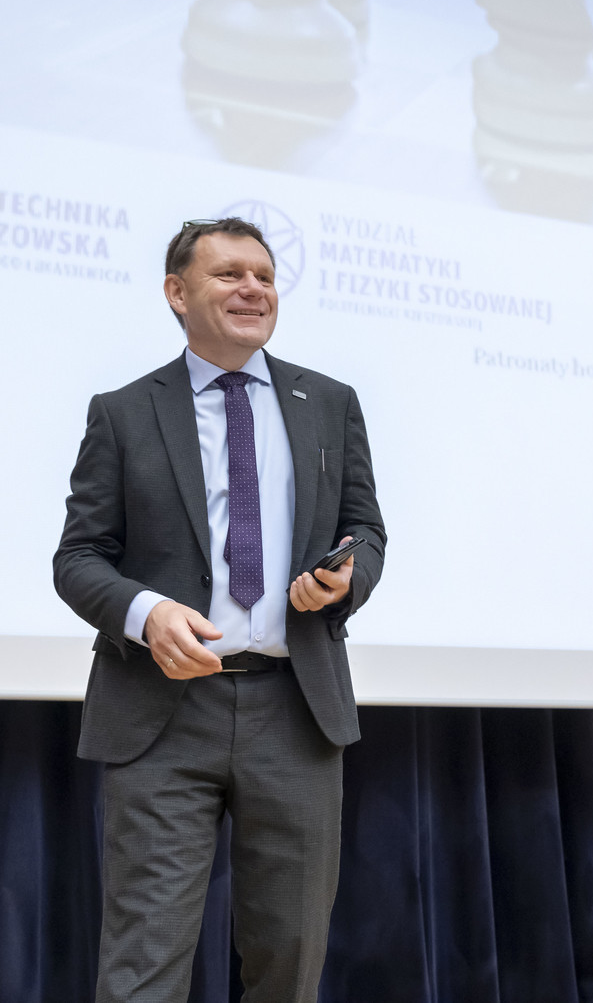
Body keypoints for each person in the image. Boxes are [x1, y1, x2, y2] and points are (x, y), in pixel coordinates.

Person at [53, 216, 386, 1002]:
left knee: (289, 965)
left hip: (295, 710)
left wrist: (346, 577)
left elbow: (364, 530)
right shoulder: (124, 411)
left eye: (265, 277)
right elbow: (79, 558)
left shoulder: (329, 403)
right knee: (145, 961)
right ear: (177, 293)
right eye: (229, 274)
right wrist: (145, 612)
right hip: (161, 713)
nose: (253, 289)